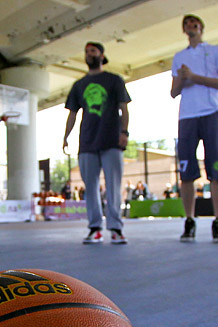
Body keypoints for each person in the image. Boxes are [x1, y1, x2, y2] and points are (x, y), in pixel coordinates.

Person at [170, 14, 218, 242]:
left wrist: (195, 77)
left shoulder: (216, 51)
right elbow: (173, 91)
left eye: (194, 24)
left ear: (201, 28)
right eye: (186, 24)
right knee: (186, 172)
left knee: (215, 169)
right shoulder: (179, 57)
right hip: (187, 116)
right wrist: (184, 79)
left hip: (211, 113)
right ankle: (189, 220)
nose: (191, 27)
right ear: (184, 30)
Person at [63, 41, 130, 245]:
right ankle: (95, 228)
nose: (88, 54)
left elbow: (124, 109)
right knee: (90, 187)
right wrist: (65, 136)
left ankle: (116, 228)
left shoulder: (114, 80)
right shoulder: (79, 85)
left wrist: (124, 132)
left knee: (113, 185)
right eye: (86, 51)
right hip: (87, 142)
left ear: (102, 55)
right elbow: (72, 114)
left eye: (93, 51)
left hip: (111, 139)